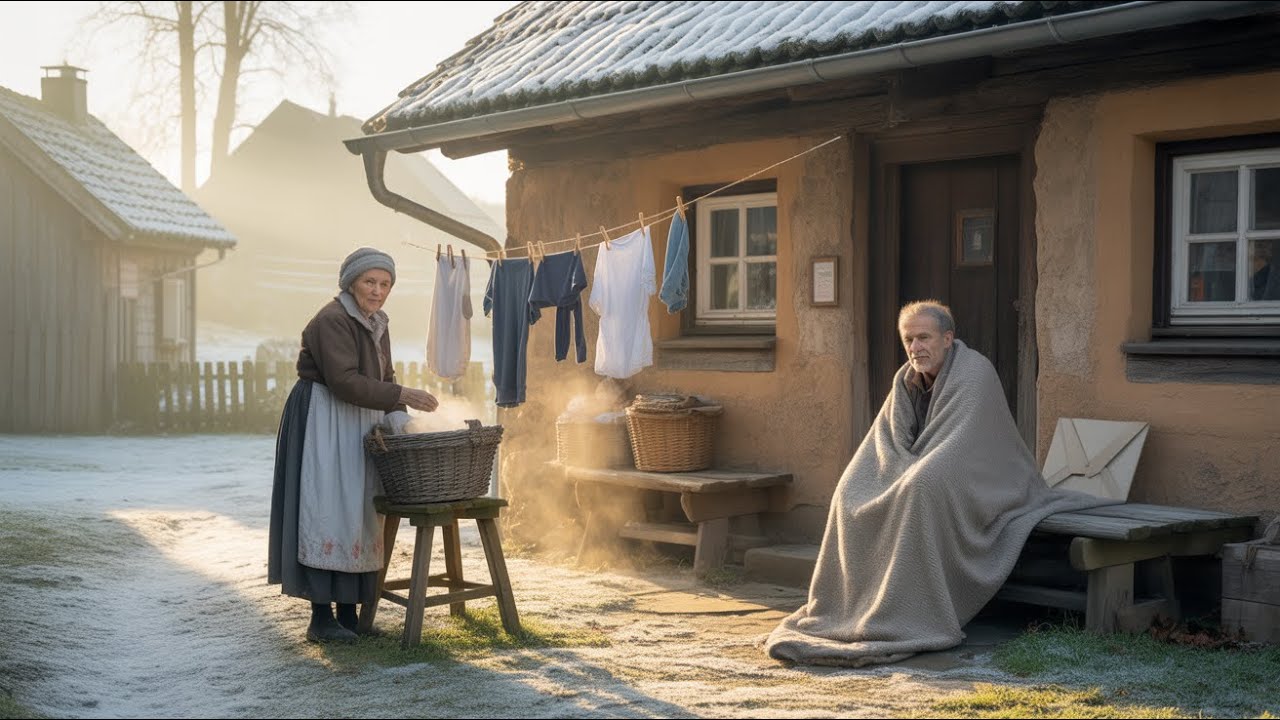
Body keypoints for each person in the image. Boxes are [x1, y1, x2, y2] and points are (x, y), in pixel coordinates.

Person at [765, 300, 1111, 667]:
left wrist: (912, 473)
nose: (915, 348)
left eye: (924, 338)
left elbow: (962, 443)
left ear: (947, 338)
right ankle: (850, 606)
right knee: (850, 490)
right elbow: (885, 439)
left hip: (990, 479)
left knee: (920, 486)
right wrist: (895, 470)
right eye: (908, 340)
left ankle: (908, 612)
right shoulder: (905, 380)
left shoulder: (975, 372)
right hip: (932, 468)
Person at [268, 247, 440, 642]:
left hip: (359, 419)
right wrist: (403, 394)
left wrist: (399, 416)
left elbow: (384, 375)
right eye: (370, 282)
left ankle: (348, 615)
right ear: (351, 283)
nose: (378, 291)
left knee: (357, 512)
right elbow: (343, 381)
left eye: (385, 284)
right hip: (325, 418)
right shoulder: (332, 319)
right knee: (326, 508)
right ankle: (320, 618)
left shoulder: (376, 322)